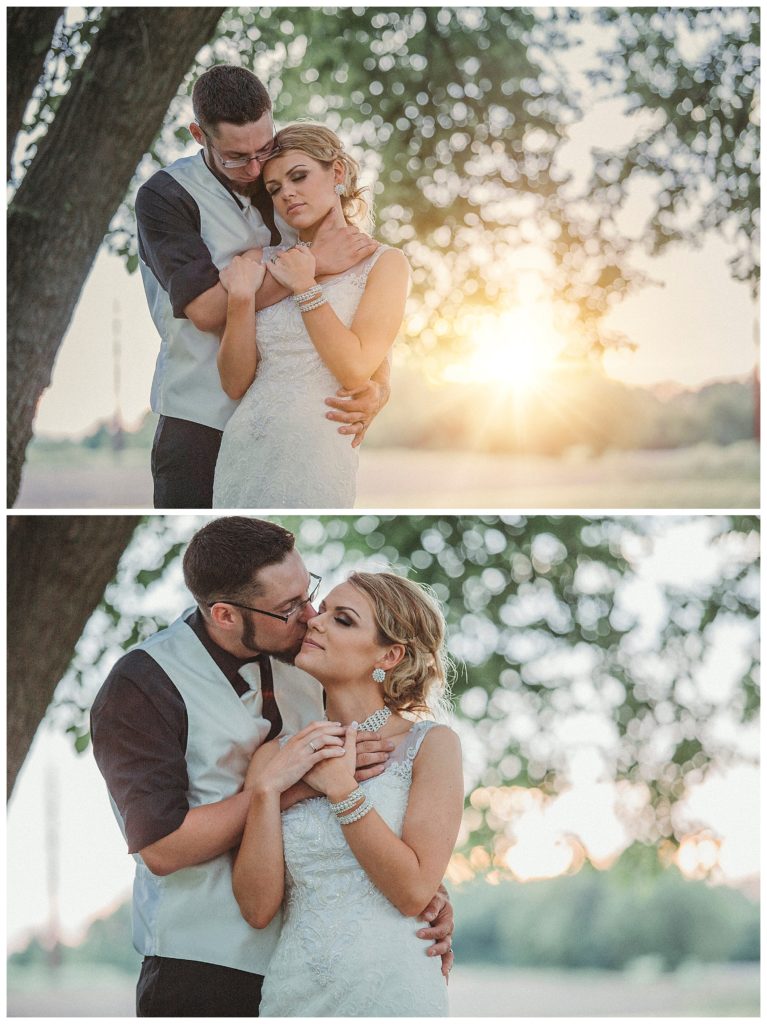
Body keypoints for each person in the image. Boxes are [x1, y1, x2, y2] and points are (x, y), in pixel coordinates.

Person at [90, 517, 454, 1017]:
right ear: (225, 615)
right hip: (202, 968)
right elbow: (162, 848)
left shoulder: (310, 657)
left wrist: (422, 893)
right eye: (290, 608)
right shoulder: (142, 684)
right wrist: (290, 787)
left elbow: (391, 818)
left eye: (311, 595)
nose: (309, 617)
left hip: (326, 963)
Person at [136, 65, 388, 508]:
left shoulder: (283, 174)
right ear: (199, 134)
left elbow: (364, 299)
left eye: (263, 147)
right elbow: (208, 312)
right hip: (200, 420)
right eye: (236, 156)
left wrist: (379, 384)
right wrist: (314, 270)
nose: (255, 169)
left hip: (295, 429)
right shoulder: (166, 197)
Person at [233, 571, 463, 1016]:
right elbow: (257, 910)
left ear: (389, 654)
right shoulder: (275, 757)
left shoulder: (431, 746)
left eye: (342, 620)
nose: (314, 622)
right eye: (322, 612)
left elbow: (415, 892)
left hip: (392, 992)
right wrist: (269, 792)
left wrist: (340, 787)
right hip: (295, 994)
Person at [211, 123, 410, 508]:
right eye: (274, 188)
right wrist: (239, 300)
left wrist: (305, 285)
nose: (287, 192)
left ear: (336, 173)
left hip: (317, 451)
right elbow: (235, 385)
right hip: (244, 449)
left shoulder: (385, 263)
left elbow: (355, 369)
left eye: (298, 176)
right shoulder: (262, 262)